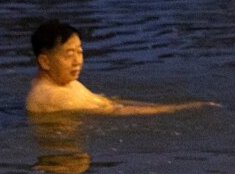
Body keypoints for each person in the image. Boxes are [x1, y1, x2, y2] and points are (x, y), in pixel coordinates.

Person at [26, 20, 214, 116]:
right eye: (69, 55)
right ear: (45, 61)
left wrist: (160, 107)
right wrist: (180, 108)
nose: (77, 61)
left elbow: (107, 103)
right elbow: (116, 112)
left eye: (80, 52)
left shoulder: (63, 84)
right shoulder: (53, 97)